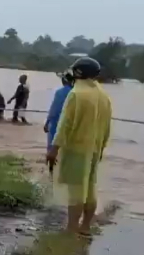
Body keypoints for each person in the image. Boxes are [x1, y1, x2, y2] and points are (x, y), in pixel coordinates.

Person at [46, 57, 112, 237]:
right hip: (94, 150)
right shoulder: (104, 96)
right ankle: (85, 227)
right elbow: (107, 128)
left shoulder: (76, 93)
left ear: (77, 73)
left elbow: (64, 124)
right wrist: (102, 148)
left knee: (75, 189)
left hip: (76, 148)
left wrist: (54, 149)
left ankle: (72, 227)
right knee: (90, 187)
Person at [44, 70, 74, 173]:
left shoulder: (60, 92)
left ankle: (51, 169)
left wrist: (47, 122)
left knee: (52, 146)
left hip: (56, 123)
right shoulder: (75, 93)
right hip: (71, 125)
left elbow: (54, 109)